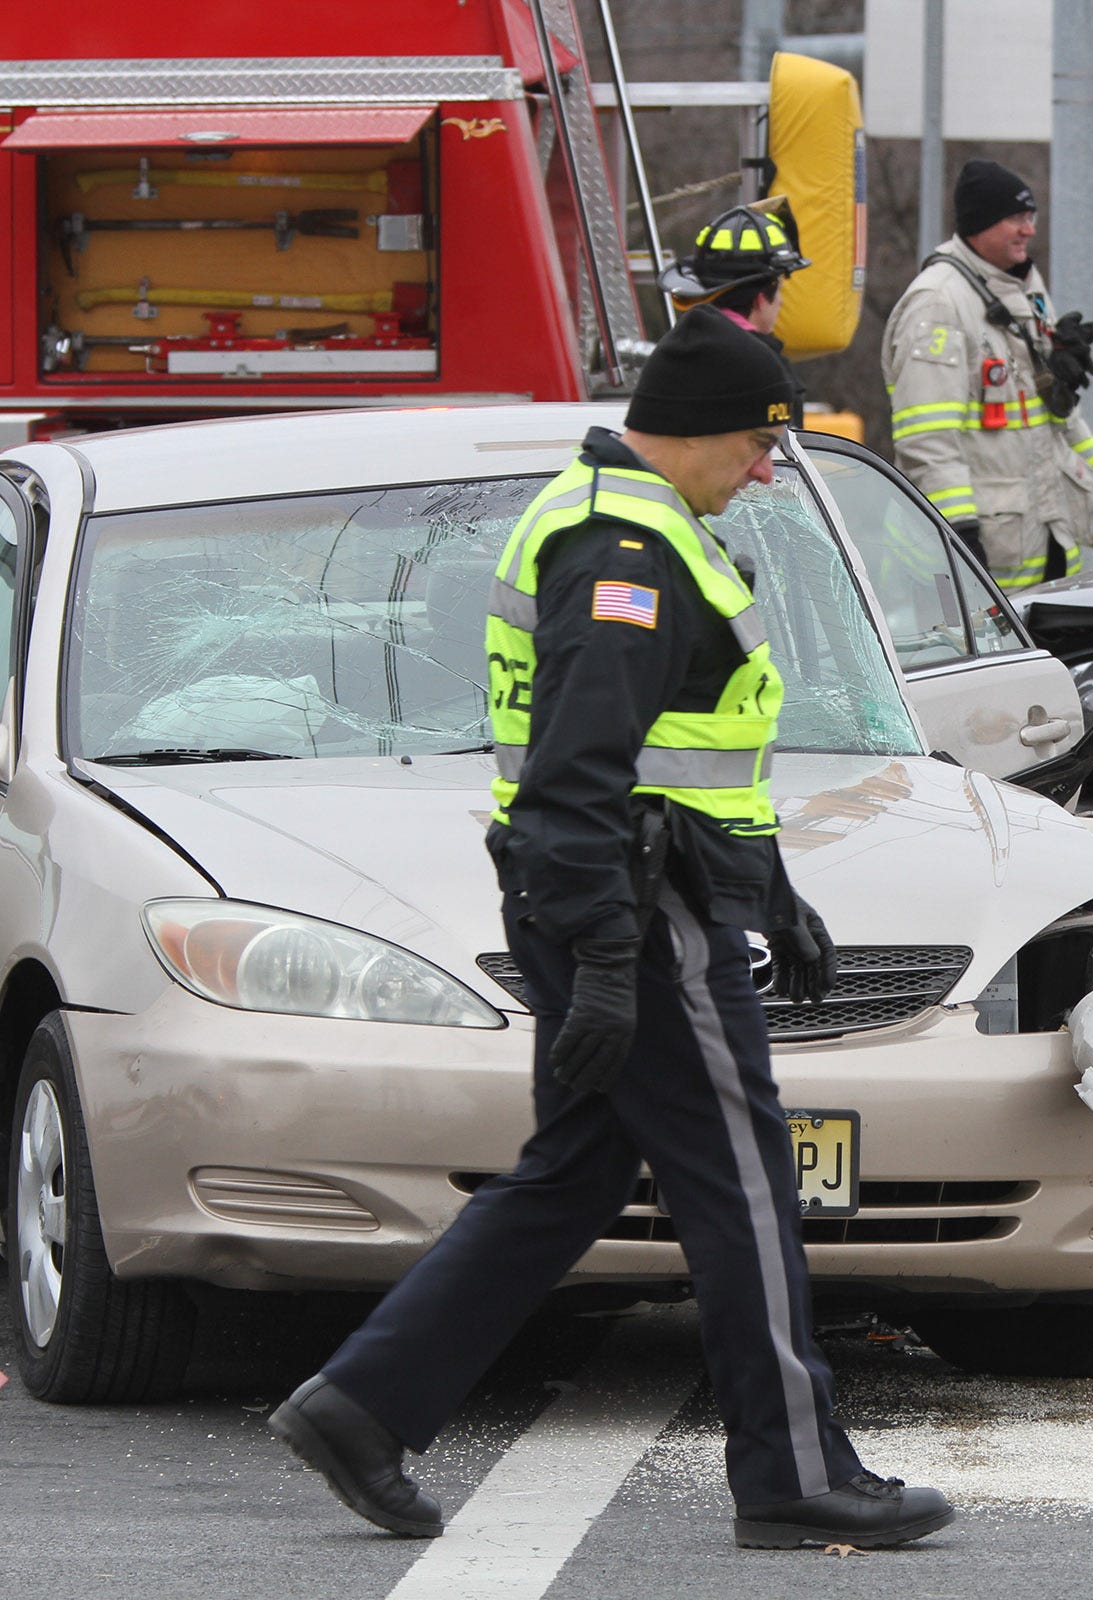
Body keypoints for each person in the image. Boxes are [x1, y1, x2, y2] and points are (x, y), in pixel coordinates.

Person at [268, 310, 954, 1553]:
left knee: (573, 1175)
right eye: (755, 444)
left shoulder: (619, 523)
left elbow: (675, 763)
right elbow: (580, 776)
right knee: (745, 1181)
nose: (762, 469)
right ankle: (793, 1471)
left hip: (630, 898)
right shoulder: (623, 550)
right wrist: (602, 961)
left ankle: (361, 1406)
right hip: (636, 915)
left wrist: (770, 887)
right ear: (693, 433)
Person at [881, 158, 1093, 590]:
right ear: (980, 224)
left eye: (1030, 217)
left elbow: (1055, 408)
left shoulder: (1024, 289)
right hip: (974, 574)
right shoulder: (938, 304)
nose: (1029, 230)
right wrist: (958, 537)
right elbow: (928, 442)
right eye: (1016, 218)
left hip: (1043, 549)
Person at [670, 198, 810, 392]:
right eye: (778, 291)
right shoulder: (769, 368)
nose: (780, 302)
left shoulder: (669, 355)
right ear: (760, 299)